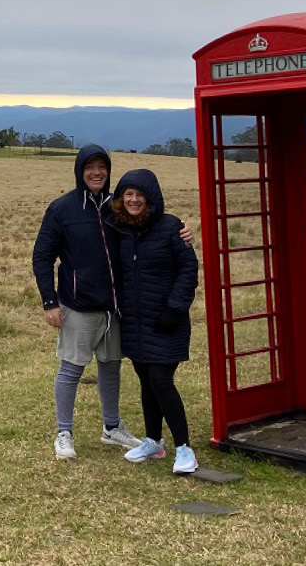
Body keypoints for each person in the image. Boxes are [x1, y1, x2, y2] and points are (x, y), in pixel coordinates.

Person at [32, 145, 193, 460]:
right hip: (78, 304)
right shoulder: (62, 209)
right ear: (80, 171)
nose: (96, 173)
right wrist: (49, 300)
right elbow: (42, 256)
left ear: (108, 172)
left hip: (116, 307)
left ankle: (112, 427)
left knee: (111, 367)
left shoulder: (115, 207)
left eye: (101, 168)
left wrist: (183, 234)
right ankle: (64, 432)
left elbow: (149, 228)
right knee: (71, 369)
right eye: (89, 167)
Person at [108, 169, 200, 474]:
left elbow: (189, 267)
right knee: (146, 381)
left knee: (161, 380)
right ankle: (153, 440)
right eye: (128, 194)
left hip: (166, 320)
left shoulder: (172, 227)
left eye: (140, 194)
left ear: (151, 198)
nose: (134, 200)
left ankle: (185, 448)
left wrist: (174, 308)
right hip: (134, 321)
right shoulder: (119, 229)